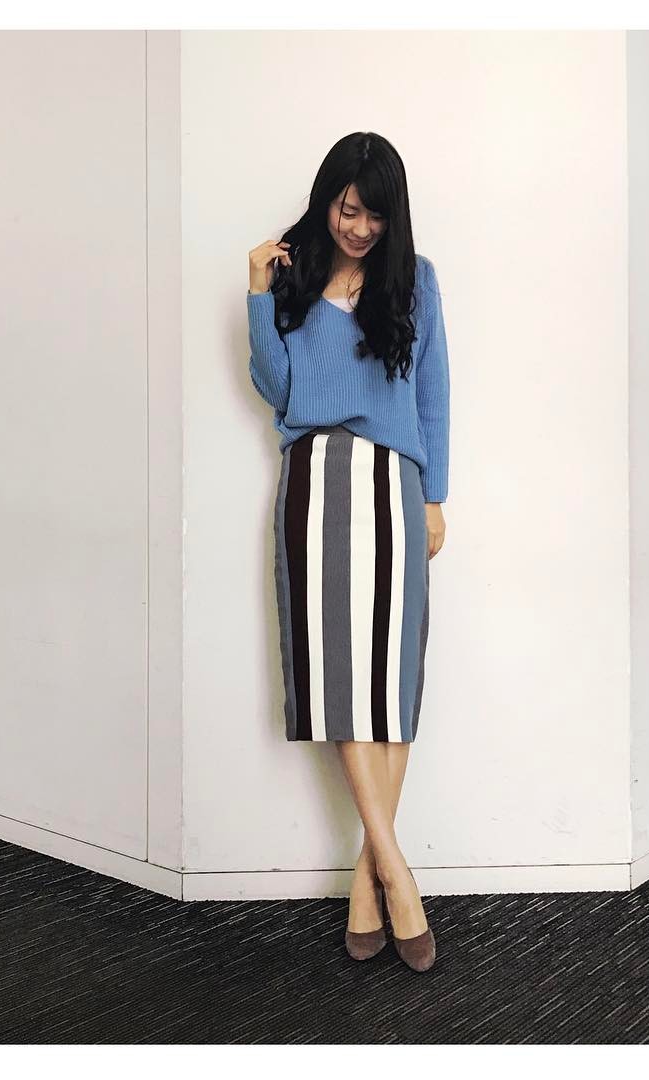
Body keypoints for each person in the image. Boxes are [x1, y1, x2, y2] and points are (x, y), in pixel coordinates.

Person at [246, 132, 450, 973]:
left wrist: (435, 495)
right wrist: (257, 294)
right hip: (317, 480)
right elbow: (279, 387)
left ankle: (368, 881)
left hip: (395, 481)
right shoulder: (292, 279)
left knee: (391, 680)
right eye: (348, 209)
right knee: (341, 680)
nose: (360, 228)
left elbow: (434, 391)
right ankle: (398, 873)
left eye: (375, 215)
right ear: (327, 198)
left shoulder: (417, 281)